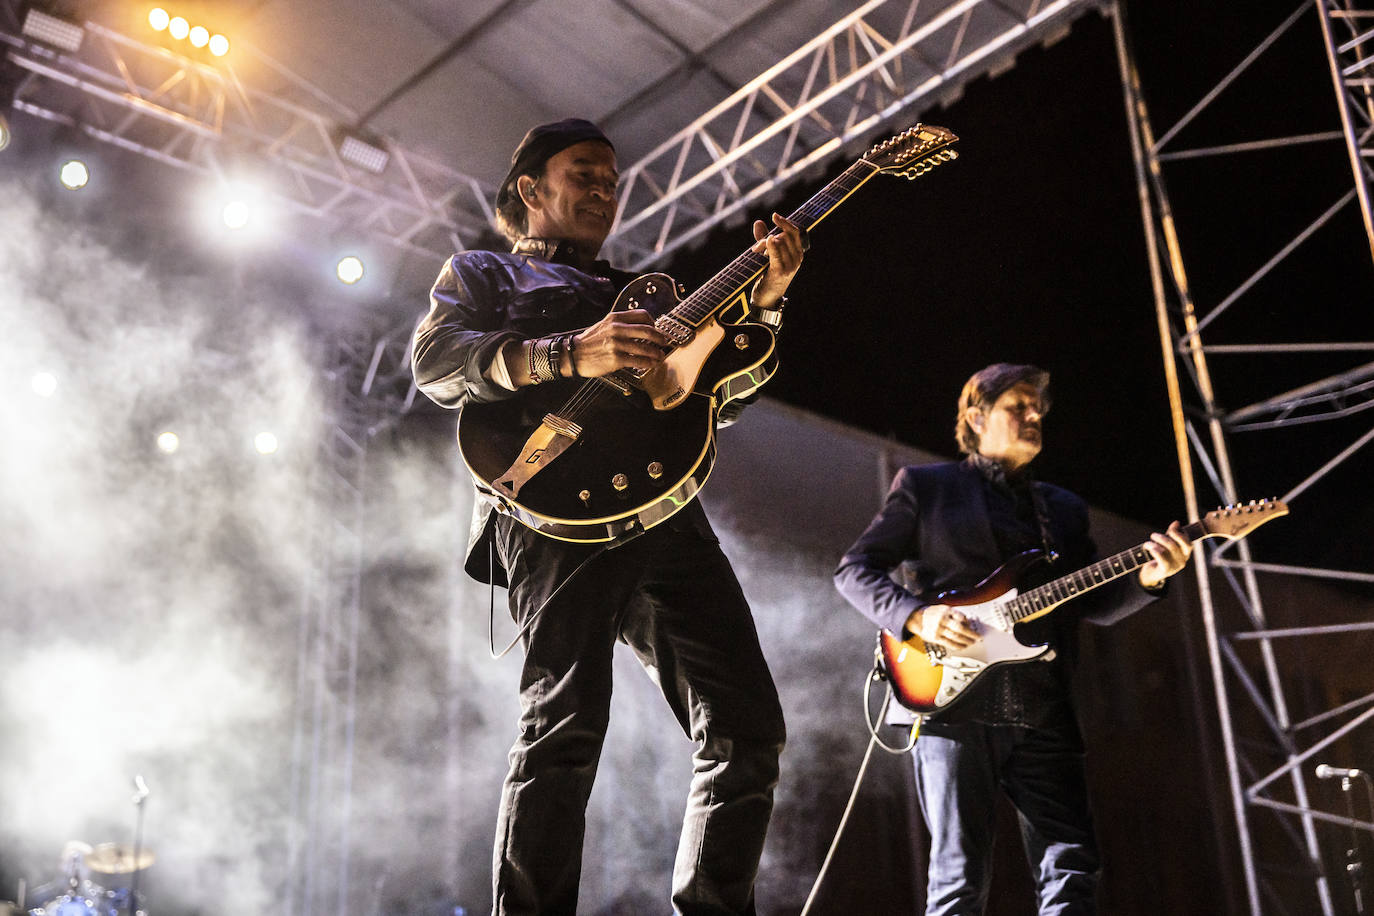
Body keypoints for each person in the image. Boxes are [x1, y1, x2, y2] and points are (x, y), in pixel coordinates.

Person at [412, 118, 805, 916]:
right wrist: (568, 354)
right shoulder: (485, 273)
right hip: (550, 519)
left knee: (748, 726)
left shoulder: (650, 291)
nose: (605, 189)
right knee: (564, 727)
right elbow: (435, 362)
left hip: (667, 516)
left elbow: (720, 398)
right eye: (585, 173)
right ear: (531, 189)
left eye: (612, 179)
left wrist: (766, 304)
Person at [833, 362, 1193, 915]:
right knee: (960, 879)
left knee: (1073, 866)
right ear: (976, 417)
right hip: (950, 702)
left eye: (1038, 409)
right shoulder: (927, 487)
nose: (1034, 416)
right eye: (1018, 406)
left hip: (1042, 704)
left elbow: (1094, 604)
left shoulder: (1063, 510)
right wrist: (918, 617)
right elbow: (854, 571)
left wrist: (1152, 578)